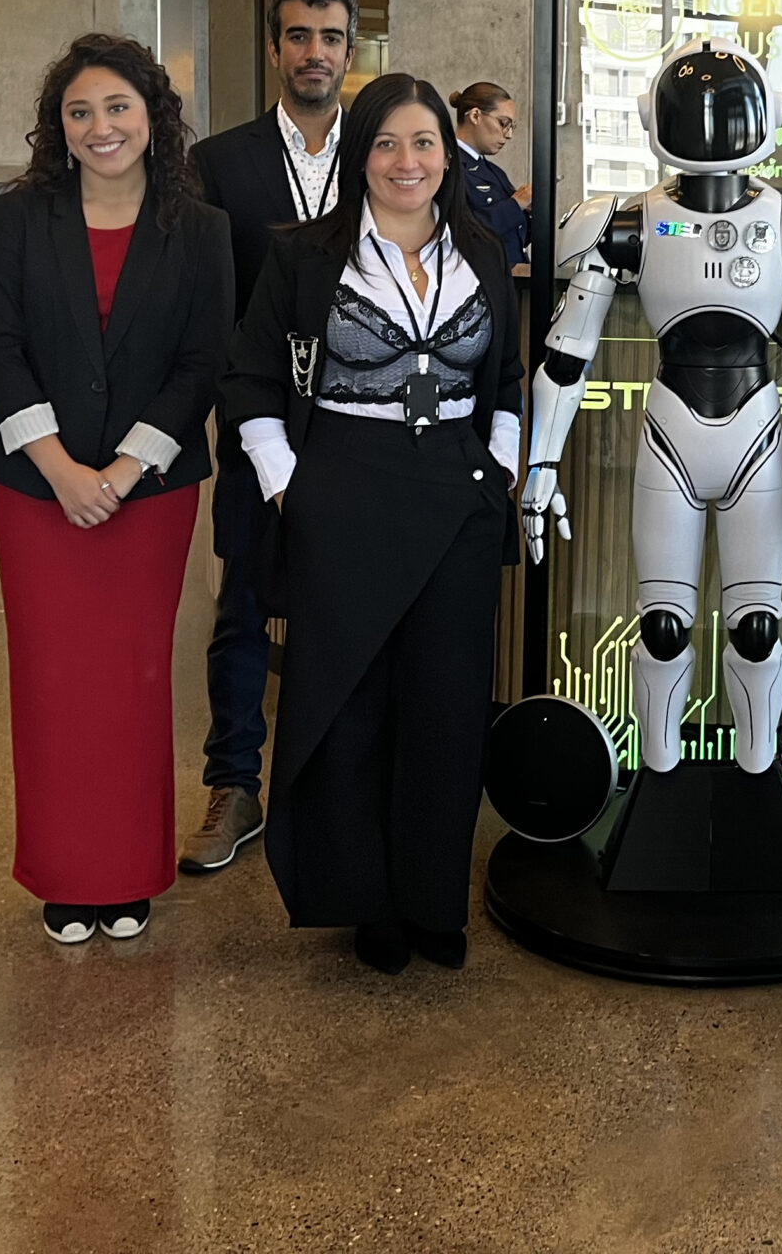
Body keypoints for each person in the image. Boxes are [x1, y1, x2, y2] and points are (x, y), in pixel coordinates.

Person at [221, 73, 523, 975]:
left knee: (446, 707)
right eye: (387, 143)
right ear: (361, 156)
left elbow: (506, 377)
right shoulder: (305, 256)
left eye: (423, 142)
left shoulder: (481, 250)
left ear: (447, 154)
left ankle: (432, 900)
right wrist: (290, 487)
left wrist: (500, 469)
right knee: (351, 705)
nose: (406, 161)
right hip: (344, 488)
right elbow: (250, 379)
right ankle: (367, 904)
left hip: (456, 495)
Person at [0, 34, 231, 944]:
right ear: (59, 126)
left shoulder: (200, 228)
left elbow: (201, 363)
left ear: (153, 116)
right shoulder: (18, 217)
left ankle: (125, 873)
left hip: (147, 496)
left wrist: (122, 471)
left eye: (117, 107)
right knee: (52, 683)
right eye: (79, 111)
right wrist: (60, 469)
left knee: (135, 681)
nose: (99, 126)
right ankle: (64, 872)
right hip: (35, 491)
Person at [183, 0, 358, 874]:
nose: (313, 53)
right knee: (244, 601)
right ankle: (233, 784)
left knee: (348, 604)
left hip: (361, 421)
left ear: (350, 50)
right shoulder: (222, 162)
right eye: (298, 36)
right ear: (274, 48)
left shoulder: (386, 151)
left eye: (329, 37)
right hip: (256, 417)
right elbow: (203, 295)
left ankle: (333, 782)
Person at [449, 80, 532, 271]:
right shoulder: (448, 166)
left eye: (512, 127)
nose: (509, 135)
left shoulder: (495, 172)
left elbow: (514, 237)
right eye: (503, 123)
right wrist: (515, 204)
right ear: (475, 116)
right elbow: (460, 232)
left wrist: (530, 211)